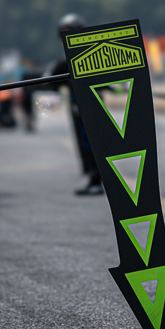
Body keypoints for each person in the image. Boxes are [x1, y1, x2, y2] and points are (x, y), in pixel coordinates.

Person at [48, 13, 103, 196]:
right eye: (63, 34)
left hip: (89, 106)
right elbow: (51, 84)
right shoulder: (65, 62)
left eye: (69, 32)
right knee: (84, 144)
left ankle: (96, 177)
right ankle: (92, 176)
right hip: (76, 106)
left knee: (92, 143)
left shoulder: (92, 56)